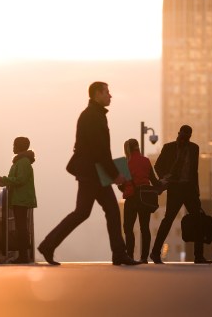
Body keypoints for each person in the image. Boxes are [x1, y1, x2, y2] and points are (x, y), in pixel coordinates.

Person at [37, 82, 138, 266]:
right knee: (89, 212)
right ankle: (48, 245)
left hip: (93, 173)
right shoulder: (93, 116)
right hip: (92, 174)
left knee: (103, 211)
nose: (110, 96)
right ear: (97, 94)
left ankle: (118, 254)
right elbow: (100, 150)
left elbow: (99, 150)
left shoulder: (94, 114)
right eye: (107, 92)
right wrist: (115, 175)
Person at [150, 125, 211, 264]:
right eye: (181, 135)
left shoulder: (194, 148)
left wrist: (196, 192)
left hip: (189, 189)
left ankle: (199, 256)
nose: (183, 139)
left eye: (186, 137)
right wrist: (166, 178)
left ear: (189, 137)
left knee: (198, 220)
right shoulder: (169, 147)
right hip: (175, 188)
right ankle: (155, 252)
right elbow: (157, 166)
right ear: (178, 134)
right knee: (168, 220)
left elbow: (194, 172)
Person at [0, 136, 37, 264]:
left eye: (14, 145)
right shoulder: (20, 161)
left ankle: (23, 256)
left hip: (21, 199)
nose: (13, 147)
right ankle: (23, 255)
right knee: (20, 227)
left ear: (19, 146)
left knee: (21, 228)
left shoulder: (23, 162)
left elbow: (20, 179)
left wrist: (3, 179)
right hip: (18, 198)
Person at [119, 138, 162, 263]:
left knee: (128, 228)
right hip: (144, 199)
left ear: (127, 149)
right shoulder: (146, 161)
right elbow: (154, 181)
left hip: (131, 199)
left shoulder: (125, 163)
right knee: (145, 228)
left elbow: (121, 185)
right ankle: (144, 258)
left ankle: (130, 256)